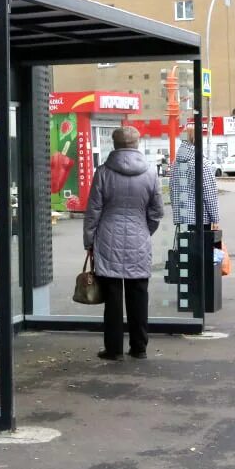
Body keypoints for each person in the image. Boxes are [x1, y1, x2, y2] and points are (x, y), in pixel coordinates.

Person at [84, 127, 164, 360]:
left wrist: (89, 240)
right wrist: (144, 230)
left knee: (112, 296)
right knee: (139, 293)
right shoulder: (150, 173)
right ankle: (139, 347)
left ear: (115, 144)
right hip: (139, 237)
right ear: (137, 143)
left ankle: (114, 349)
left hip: (108, 237)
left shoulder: (103, 172)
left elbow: (93, 211)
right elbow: (157, 211)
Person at [170, 128, 221, 228]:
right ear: (196, 140)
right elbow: (209, 193)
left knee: (185, 243)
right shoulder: (199, 163)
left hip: (182, 219)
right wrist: (215, 219)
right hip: (200, 220)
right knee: (201, 244)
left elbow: (172, 190)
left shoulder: (175, 163)